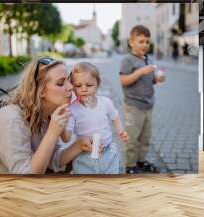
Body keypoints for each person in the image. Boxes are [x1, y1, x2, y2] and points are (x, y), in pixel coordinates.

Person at [0, 57, 96, 174]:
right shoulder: (11, 120)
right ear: (41, 91)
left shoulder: (48, 113)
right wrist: (52, 133)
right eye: (61, 83)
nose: (70, 87)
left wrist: (79, 145)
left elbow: (52, 159)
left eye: (68, 79)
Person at [61, 62, 128, 174]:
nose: (84, 89)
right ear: (72, 87)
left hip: (108, 154)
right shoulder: (72, 109)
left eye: (89, 85)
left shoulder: (105, 103)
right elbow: (66, 138)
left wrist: (120, 131)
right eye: (78, 86)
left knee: (109, 186)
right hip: (84, 156)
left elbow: (115, 117)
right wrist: (61, 125)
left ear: (97, 84)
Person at [119, 25, 165, 174]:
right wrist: (140, 71)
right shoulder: (128, 60)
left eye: (147, 42)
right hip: (133, 106)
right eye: (141, 41)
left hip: (148, 106)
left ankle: (141, 161)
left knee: (145, 138)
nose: (144, 45)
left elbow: (150, 80)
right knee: (132, 139)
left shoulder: (147, 59)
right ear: (131, 42)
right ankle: (130, 165)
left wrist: (158, 78)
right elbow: (124, 80)